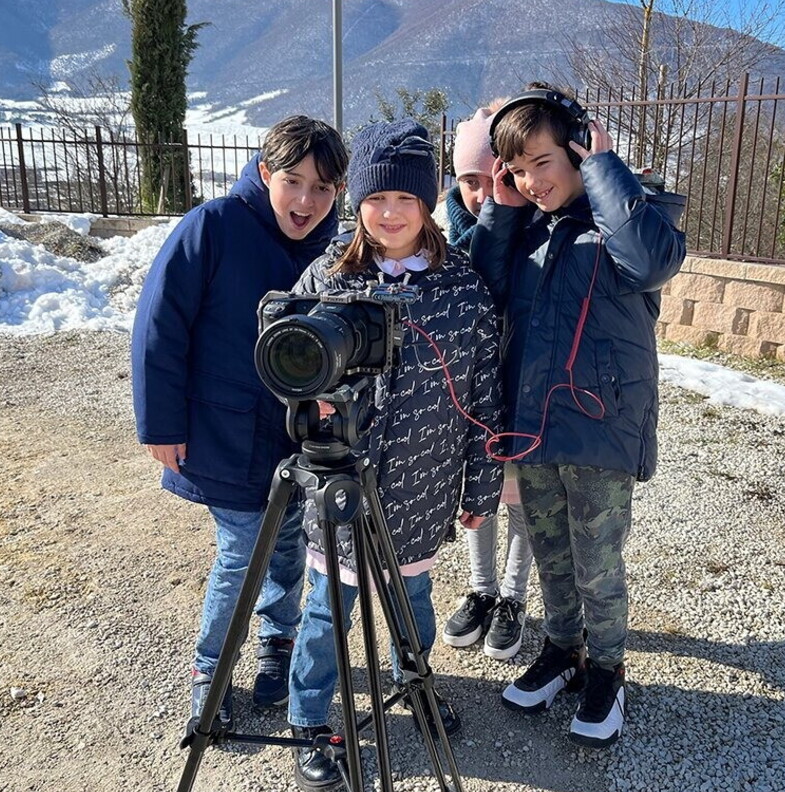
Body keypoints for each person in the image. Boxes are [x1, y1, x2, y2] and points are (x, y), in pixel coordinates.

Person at [284, 119, 503, 791]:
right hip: (340, 481)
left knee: (413, 601)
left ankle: (414, 681)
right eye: (377, 198)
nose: (390, 213)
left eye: (405, 198)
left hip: (422, 487)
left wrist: (482, 489)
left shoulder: (462, 289)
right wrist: (310, 406)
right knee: (327, 610)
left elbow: (485, 395)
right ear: (359, 200)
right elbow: (285, 361)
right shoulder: (327, 275)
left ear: (427, 201)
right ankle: (308, 719)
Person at [470, 83, 686, 748]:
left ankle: (607, 670)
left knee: (597, 560)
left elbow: (651, 262)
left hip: (600, 425)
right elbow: (480, 290)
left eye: (544, 162)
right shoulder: (526, 229)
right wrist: (501, 212)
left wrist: (604, 170)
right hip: (534, 422)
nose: (532, 181)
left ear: (576, 147)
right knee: (552, 554)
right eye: (517, 170)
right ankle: (563, 650)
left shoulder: (631, 214)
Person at [131, 116, 349, 735]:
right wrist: (160, 424)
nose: (306, 201)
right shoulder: (215, 225)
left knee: (289, 546)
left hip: (297, 437)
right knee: (241, 556)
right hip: (222, 432)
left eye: (323, 188)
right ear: (263, 172)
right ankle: (211, 669)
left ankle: (278, 640)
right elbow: (159, 325)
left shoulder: (336, 250)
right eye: (293, 181)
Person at [440, 102, 534, 661]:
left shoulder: (537, 229)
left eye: (491, 178)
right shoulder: (445, 237)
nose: (480, 194)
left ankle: (514, 597)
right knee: (478, 492)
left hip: (523, 386)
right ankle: (482, 588)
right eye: (468, 181)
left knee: (522, 496)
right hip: (472, 391)